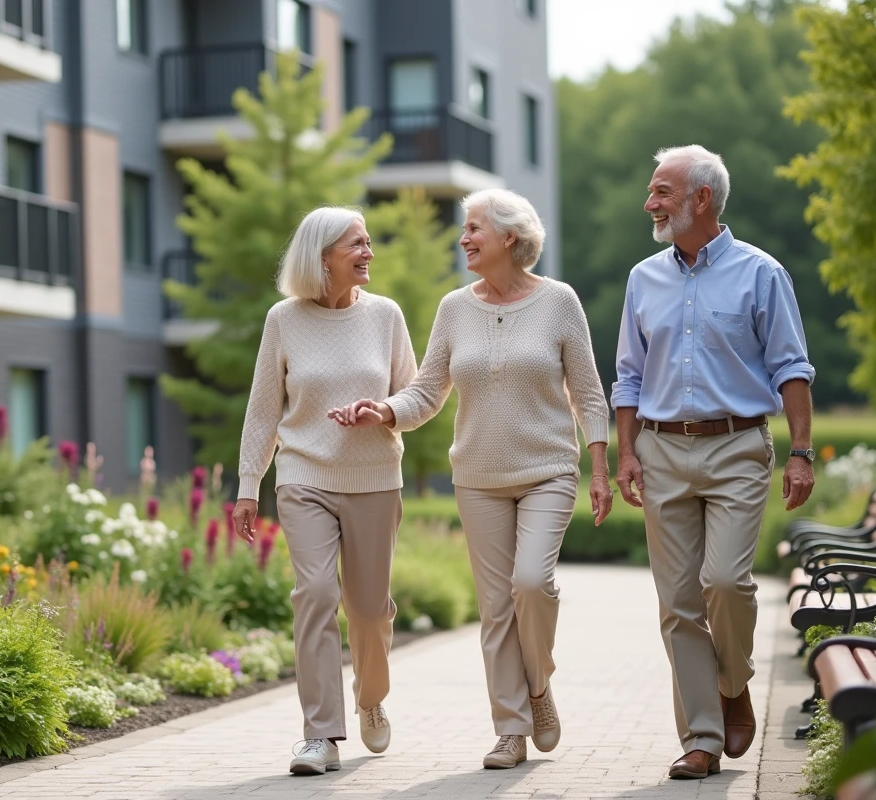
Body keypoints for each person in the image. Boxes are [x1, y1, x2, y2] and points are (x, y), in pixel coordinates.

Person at [330, 188, 612, 770]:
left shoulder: (559, 301)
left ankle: (539, 687)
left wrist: (602, 467)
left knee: (531, 583)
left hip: (548, 470)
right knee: (494, 606)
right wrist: (386, 409)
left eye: (473, 228)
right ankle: (510, 729)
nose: (463, 238)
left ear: (510, 236)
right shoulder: (455, 307)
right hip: (478, 475)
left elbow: (587, 391)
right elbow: (429, 389)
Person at [612, 144, 816, 780]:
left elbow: (791, 367)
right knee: (677, 602)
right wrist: (626, 453)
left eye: (662, 192)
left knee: (724, 583)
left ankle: (733, 684)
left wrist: (802, 453)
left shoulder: (761, 274)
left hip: (736, 447)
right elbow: (627, 374)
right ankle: (699, 737)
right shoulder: (643, 278)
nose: (650, 202)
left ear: (701, 198)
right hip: (661, 447)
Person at [232, 206, 417, 776]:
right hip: (303, 476)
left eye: (367, 242)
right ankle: (320, 735)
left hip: (374, 480)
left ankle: (370, 697)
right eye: (355, 244)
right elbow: (264, 410)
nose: (368, 252)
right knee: (314, 594)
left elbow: (417, 397)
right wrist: (247, 486)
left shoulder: (385, 315)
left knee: (367, 611)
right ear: (322, 257)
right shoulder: (283, 320)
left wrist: (382, 411)